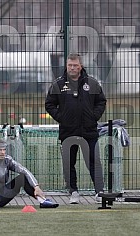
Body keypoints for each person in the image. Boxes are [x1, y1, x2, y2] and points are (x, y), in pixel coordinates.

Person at [45, 53, 106, 204]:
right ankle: (73, 192)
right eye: (70, 65)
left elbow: (101, 102)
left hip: (89, 131)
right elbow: (49, 104)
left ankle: (99, 192)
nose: (72, 68)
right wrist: (62, 118)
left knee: (94, 162)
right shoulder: (58, 84)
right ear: (66, 66)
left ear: (81, 66)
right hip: (68, 131)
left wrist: (93, 116)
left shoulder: (91, 83)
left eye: (75, 65)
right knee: (69, 163)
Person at [0, 139, 59, 210]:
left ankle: (42, 201)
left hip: (0, 196)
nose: (3, 152)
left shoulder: (7, 159)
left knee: (22, 178)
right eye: (0, 150)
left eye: (4, 149)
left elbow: (24, 170)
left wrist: (36, 186)